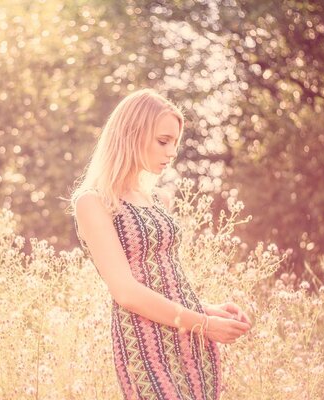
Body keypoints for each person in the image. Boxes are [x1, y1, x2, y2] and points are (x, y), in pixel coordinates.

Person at [69, 88, 252, 399]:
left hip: (190, 340)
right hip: (144, 342)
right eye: (163, 141)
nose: (171, 153)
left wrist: (210, 311)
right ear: (132, 134)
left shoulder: (158, 199)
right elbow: (126, 292)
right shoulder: (93, 202)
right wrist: (204, 324)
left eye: (175, 144)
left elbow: (164, 280)